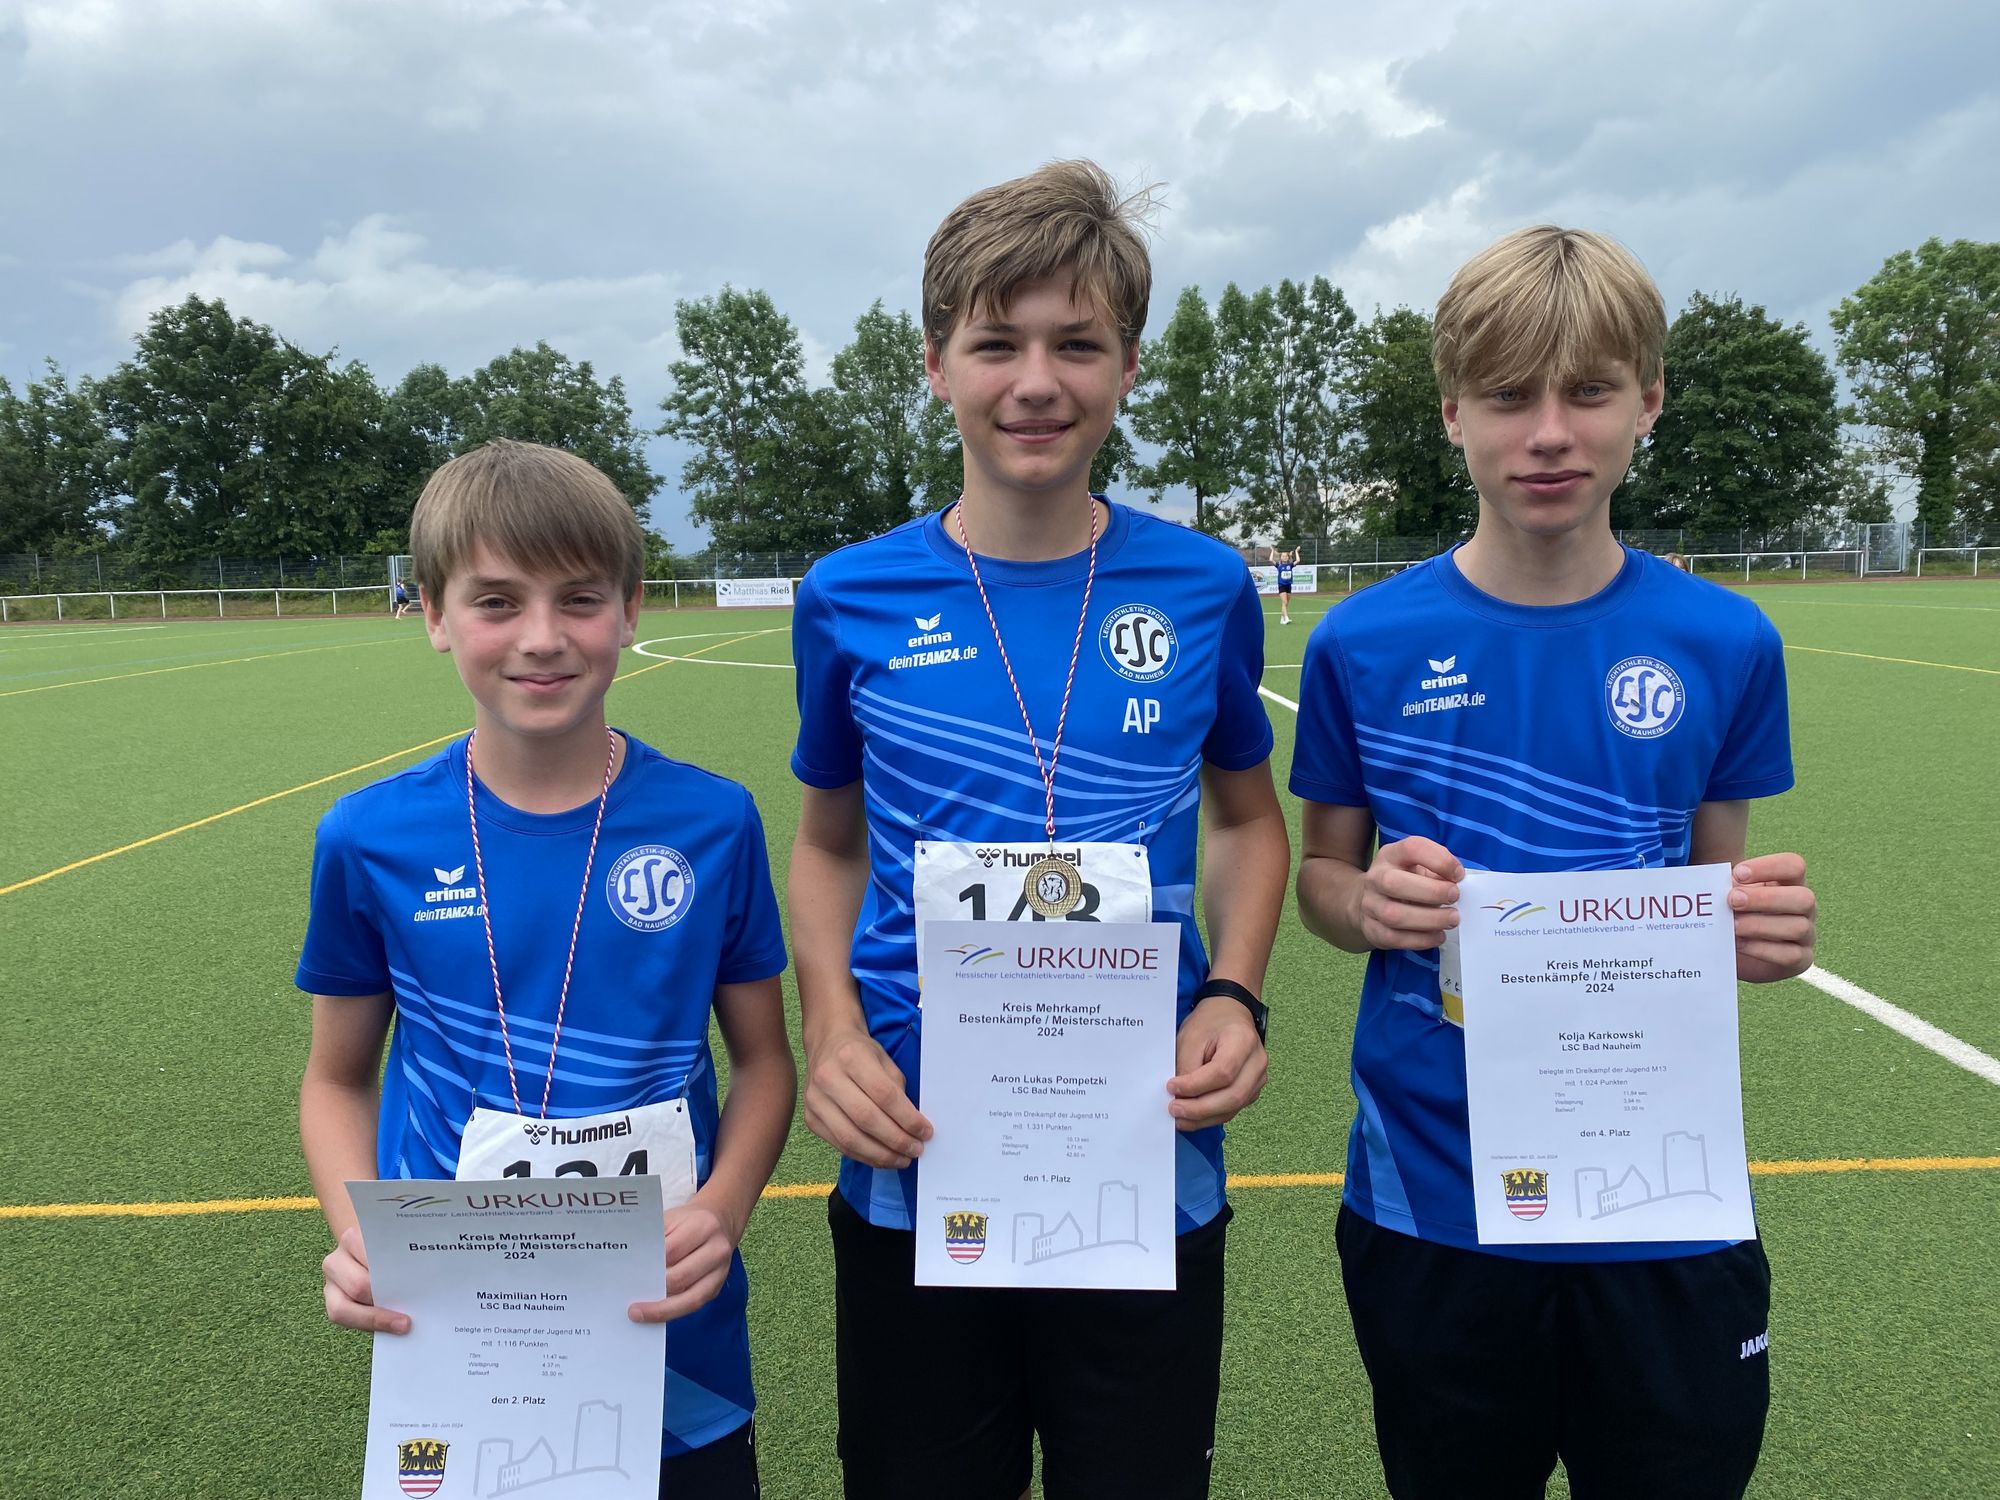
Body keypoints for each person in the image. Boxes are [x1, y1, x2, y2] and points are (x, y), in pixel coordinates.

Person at [788, 159, 1289, 1500]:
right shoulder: (849, 596)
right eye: (994, 342)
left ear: (1127, 368)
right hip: (913, 1140)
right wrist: (830, 1029)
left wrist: (1235, 991)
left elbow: (1249, 820)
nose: (1035, 381)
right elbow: (827, 842)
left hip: (1143, 1148)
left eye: (1077, 344)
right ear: (934, 365)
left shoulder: (1201, 584)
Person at [1290, 227, 1818, 1500]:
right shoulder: (1361, 642)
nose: (1546, 433)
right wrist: (1365, 902)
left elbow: (1714, 890)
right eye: (1506, 395)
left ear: (1646, 401)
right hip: (1433, 1197)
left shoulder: (1724, 640)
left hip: (1659, 1189)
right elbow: (1318, 878)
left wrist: (1757, 935)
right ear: (1450, 411)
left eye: (1585, 392)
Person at [296, 439, 795, 1498]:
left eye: (578, 599)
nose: (540, 637)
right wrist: (357, 1236)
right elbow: (336, 1078)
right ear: (433, 614)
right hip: (458, 1345)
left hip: (675, 1343)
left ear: (630, 609)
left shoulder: (712, 821)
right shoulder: (368, 837)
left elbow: (763, 1063)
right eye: (495, 602)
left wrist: (723, 1208)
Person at [1273, 547, 1295, 624]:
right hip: (1281, 586)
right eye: (1283, 556)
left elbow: (1297, 561)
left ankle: (1282, 619)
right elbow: (1270, 560)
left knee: (1285, 603)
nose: (1284, 557)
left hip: (1288, 586)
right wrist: (1272, 551)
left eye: (1286, 556)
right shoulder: (1279, 565)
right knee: (1284, 602)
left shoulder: (1290, 565)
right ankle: (1286, 618)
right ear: (1281, 557)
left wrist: (1295, 552)